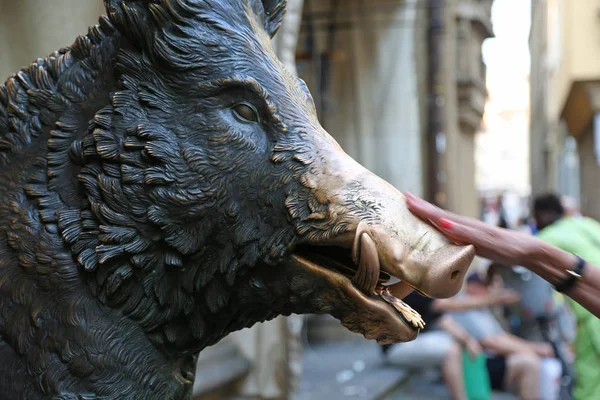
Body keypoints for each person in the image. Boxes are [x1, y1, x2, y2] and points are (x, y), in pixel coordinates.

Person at [402, 192, 600, 318]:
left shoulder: (548, 236)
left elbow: (516, 260)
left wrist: (530, 253)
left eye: (536, 216)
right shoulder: (587, 224)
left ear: (544, 214)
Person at [381, 287, 519, 400]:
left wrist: (467, 340)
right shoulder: (411, 288)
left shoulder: (424, 287)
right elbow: (445, 311)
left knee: (453, 344)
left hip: (412, 343)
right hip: (395, 348)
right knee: (450, 349)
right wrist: (495, 299)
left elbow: (444, 320)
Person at [451, 273, 562, 400]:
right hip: (478, 364)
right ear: (471, 286)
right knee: (529, 362)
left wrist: (535, 348)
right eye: (482, 286)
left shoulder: (482, 309)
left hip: (491, 360)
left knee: (538, 361)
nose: (487, 290)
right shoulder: (464, 307)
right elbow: (491, 342)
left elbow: (502, 336)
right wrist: (534, 350)